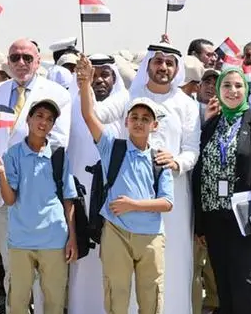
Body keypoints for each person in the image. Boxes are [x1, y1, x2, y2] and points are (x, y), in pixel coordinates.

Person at [95, 41, 200, 314]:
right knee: (124, 277)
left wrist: (176, 161)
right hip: (129, 193)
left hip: (171, 193)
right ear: (148, 65)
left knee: (172, 262)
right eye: (157, 61)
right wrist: (84, 84)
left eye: (169, 62)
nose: (163, 67)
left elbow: (192, 149)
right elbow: (97, 115)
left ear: (176, 69)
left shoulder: (187, 104)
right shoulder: (131, 94)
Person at [76, 56, 174, 314]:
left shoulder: (160, 158)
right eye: (135, 117)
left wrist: (133, 205)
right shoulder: (112, 146)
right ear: (126, 121)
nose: (139, 122)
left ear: (155, 125)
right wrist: (85, 82)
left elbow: (167, 202)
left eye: (145, 118)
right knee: (116, 296)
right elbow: (88, 115)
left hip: (152, 237)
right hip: (116, 233)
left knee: (151, 298)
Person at [0, 38, 71, 313]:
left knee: (46, 282)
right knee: (14, 271)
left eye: (27, 58)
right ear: (8, 63)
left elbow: (59, 140)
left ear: (37, 61)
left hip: (38, 198)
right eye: (15, 58)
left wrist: (19, 161)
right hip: (3, 195)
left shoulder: (57, 93)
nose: (21, 63)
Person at [192, 67, 251, 314]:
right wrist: (200, 223)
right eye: (226, 86)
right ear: (218, 91)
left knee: (248, 282)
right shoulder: (211, 125)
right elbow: (199, 173)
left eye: (238, 86)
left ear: (246, 89)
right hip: (214, 217)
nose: (232, 91)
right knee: (224, 282)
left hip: (248, 217)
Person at [0, 99, 78, 314]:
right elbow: (10, 199)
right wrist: (1, 173)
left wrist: (72, 238)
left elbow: (68, 198)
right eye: (39, 116)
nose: (43, 122)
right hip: (21, 239)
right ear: (28, 119)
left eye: (49, 119)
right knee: (18, 301)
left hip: (54, 237)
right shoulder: (13, 155)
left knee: (54, 301)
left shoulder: (59, 156)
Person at [66, 54, 127, 314]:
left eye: (106, 74)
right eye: (95, 74)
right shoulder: (70, 106)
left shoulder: (124, 107)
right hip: (78, 199)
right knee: (81, 263)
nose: (100, 80)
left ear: (114, 78)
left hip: (114, 203)